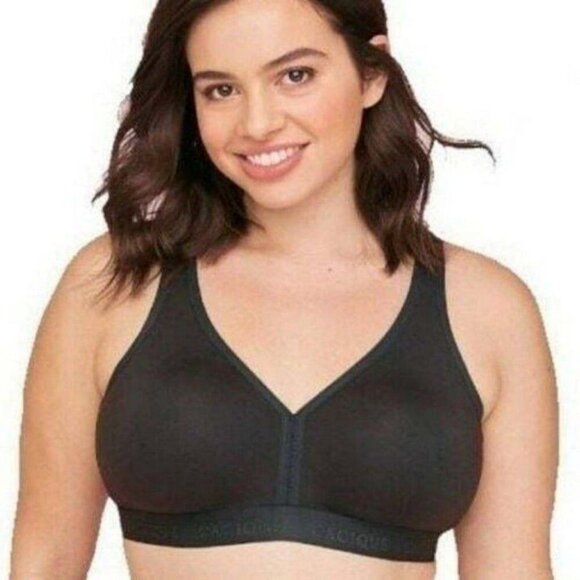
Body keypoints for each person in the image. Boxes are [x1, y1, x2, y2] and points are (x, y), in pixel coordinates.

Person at [10, 0, 558, 578]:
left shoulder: (487, 309)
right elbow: (45, 561)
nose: (257, 123)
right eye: (221, 90)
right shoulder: (115, 281)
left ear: (371, 73)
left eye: (295, 75)